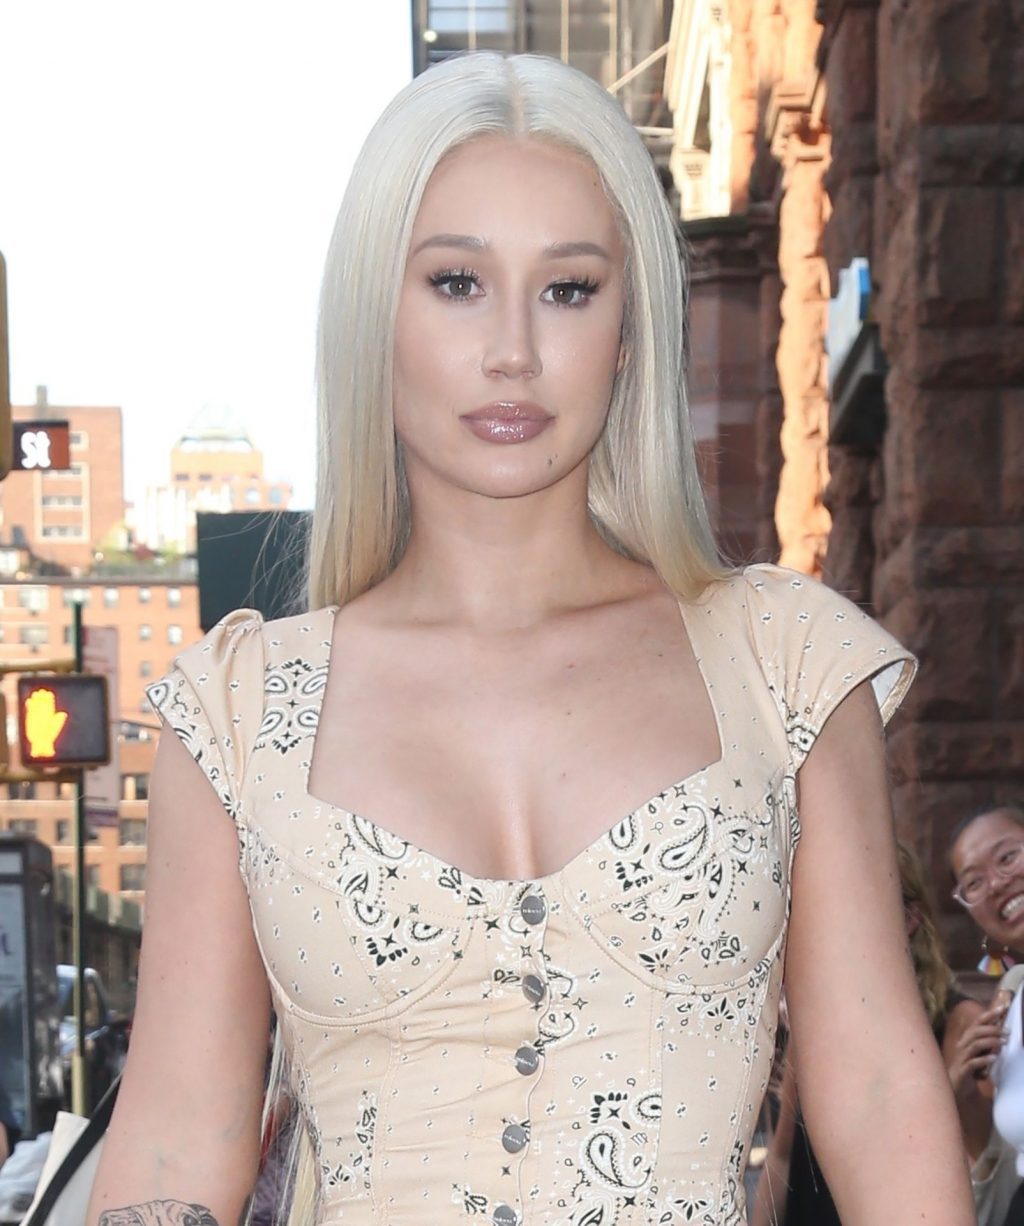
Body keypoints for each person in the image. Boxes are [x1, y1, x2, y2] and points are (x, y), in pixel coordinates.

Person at [86, 51, 974, 1226]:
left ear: (629, 328)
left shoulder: (787, 662)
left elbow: (879, 1101)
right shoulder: (238, 712)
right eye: (456, 281)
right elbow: (172, 1148)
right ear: (374, 314)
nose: (513, 347)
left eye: (568, 288)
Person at [750, 844, 981, 1226]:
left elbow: (980, 1163)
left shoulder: (957, 1022)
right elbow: (782, 1156)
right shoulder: (813, 1027)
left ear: (909, 918)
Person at [948, 803, 1024, 1224]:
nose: (996, 884)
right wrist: (962, 1094)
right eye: (974, 883)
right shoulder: (1009, 1007)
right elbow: (994, 1160)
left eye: (1008, 857)